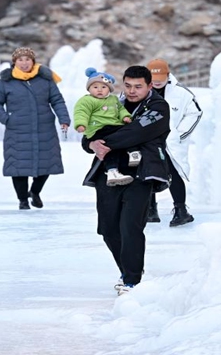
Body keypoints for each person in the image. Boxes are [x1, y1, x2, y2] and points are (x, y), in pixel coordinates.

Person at [81, 66, 170, 296]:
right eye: (128, 86)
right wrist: (91, 143)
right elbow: (89, 132)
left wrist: (102, 141)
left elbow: (137, 133)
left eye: (138, 86)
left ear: (150, 86)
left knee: (130, 226)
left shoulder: (158, 107)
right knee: (108, 228)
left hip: (141, 172)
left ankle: (132, 280)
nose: (132, 91)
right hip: (108, 172)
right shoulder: (112, 103)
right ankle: (125, 270)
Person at [0, 47, 71, 210]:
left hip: (44, 128)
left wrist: (64, 119)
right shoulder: (6, 81)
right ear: (14, 62)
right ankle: (23, 201)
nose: (24, 63)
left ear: (33, 61)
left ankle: (34, 192)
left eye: (27, 59)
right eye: (20, 60)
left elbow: (57, 101)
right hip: (17, 130)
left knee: (47, 163)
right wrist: (6, 119)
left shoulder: (45, 80)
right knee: (18, 167)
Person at [146, 59, 203, 227]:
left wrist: (179, 134)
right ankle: (150, 209)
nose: (156, 80)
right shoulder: (140, 90)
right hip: (147, 139)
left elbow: (195, 113)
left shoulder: (182, 93)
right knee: (146, 172)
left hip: (170, 141)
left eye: (160, 77)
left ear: (168, 75)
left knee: (173, 172)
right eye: (153, 76)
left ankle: (181, 210)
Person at [73, 67, 139, 186]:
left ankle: (113, 171)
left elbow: (120, 110)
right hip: (98, 129)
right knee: (122, 136)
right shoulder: (87, 101)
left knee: (113, 146)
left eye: (103, 87)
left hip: (113, 128)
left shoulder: (113, 99)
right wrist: (81, 124)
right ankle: (132, 152)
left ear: (109, 89)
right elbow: (81, 112)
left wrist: (125, 117)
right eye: (95, 87)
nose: (99, 90)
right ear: (89, 88)